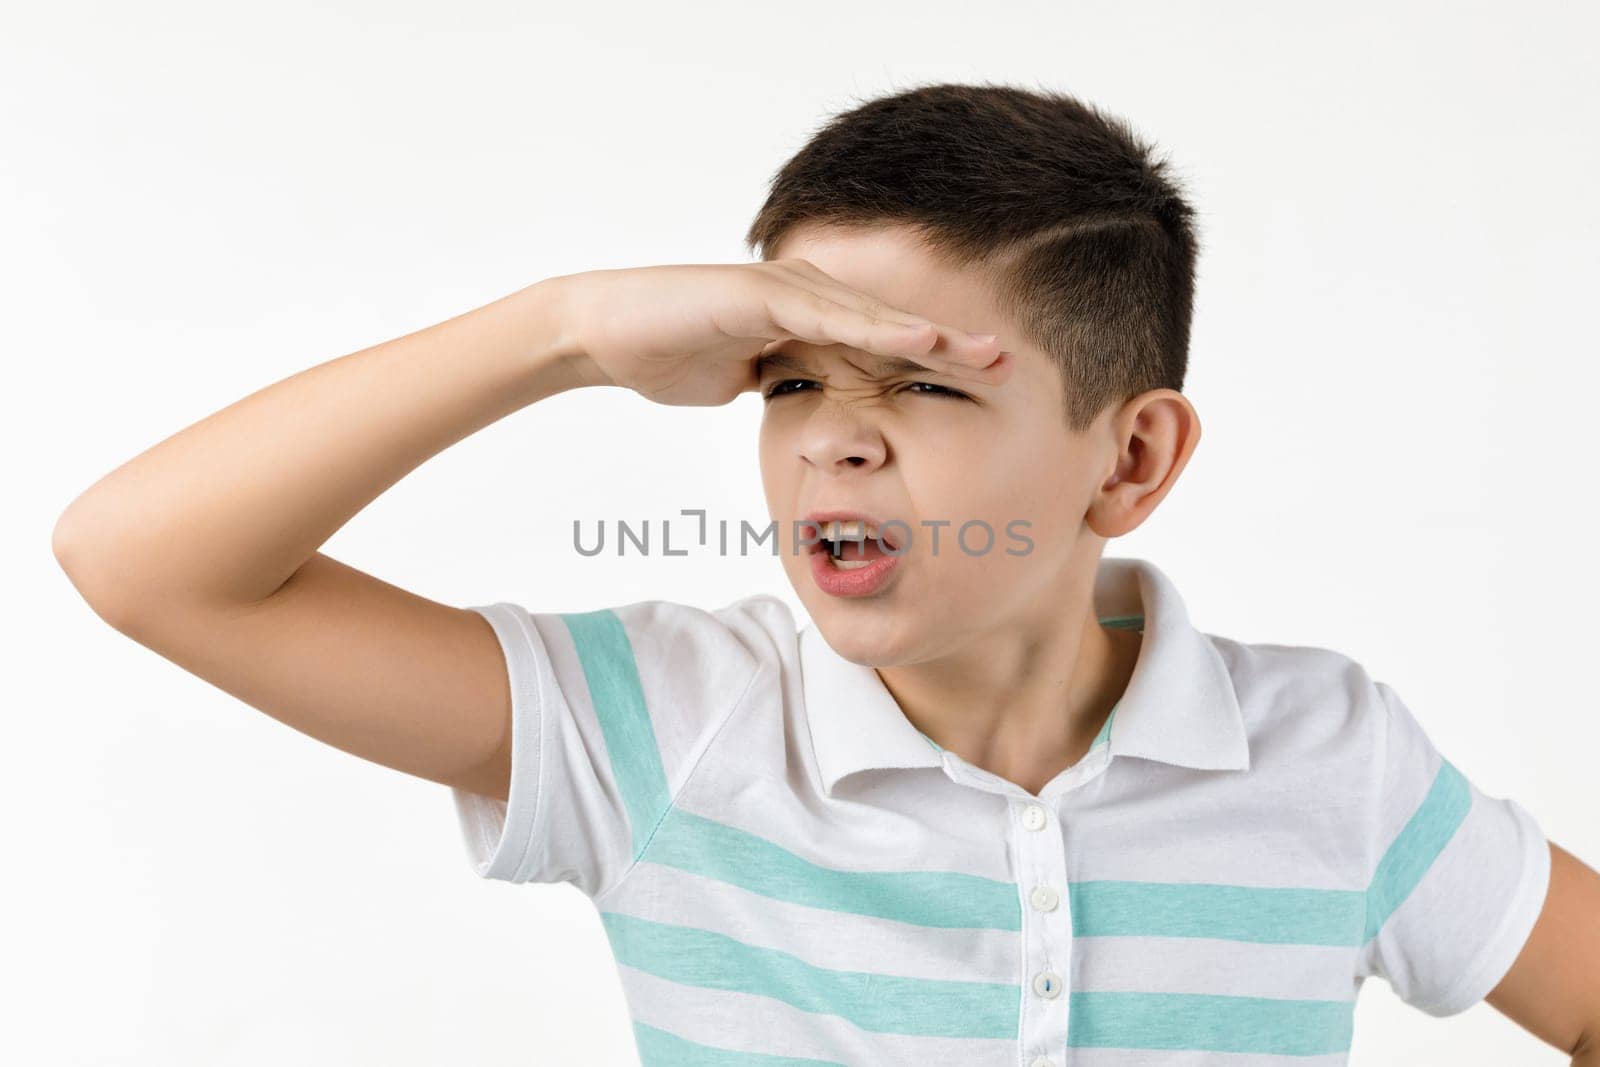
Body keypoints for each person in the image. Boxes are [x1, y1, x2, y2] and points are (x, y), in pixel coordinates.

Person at [53, 82, 1599, 1066]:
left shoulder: (1334, 758)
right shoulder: (664, 726)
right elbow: (145, 562)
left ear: (1128, 462)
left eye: (921, 388)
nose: (830, 450)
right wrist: (568, 328)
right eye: (790, 383)